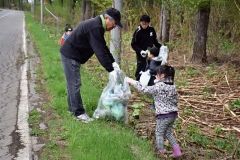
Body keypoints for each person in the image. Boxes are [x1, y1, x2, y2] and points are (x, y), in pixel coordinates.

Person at [60, 8, 122, 123]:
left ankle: (71, 109)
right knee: (75, 84)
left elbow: (103, 47)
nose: (114, 27)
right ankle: (79, 113)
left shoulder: (98, 25)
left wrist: (113, 63)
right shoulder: (95, 27)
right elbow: (99, 52)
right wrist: (110, 70)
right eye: (115, 24)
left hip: (71, 54)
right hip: (71, 55)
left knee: (71, 84)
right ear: (108, 18)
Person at [125, 65, 182, 158]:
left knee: (159, 133)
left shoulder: (159, 86)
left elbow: (144, 89)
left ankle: (161, 152)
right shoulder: (173, 86)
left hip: (164, 115)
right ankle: (177, 151)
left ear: (162, 75)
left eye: (157, 74)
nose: (155, 76)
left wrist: (132, 81)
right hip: (173, 114)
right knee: (168, 133)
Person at [131, 14, 161, 81]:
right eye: (142, 23)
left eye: (146, 24)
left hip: (150, 52)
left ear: (148, 23)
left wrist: (161, 47)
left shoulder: (151, 30)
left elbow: (155, 41)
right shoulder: (137, 31)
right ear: (140, 22)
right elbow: (133, 44)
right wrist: (140, 51)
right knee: (141, 66)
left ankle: (149, 81)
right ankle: (138, 80)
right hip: (141, 53)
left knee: (151, 67)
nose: (144, 25)